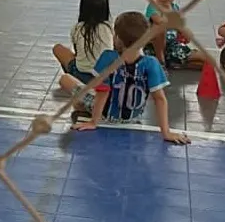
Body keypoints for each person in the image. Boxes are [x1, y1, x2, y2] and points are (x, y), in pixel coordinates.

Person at [73, 11, 190, 144]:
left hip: (107, 117)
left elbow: (102, 92)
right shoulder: (151, 63)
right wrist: (166, 132)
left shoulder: (108, 57)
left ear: (117, 37)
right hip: (133, 119)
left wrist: (94, 122)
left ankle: (80, 107)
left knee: (66, 80)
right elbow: (160, 99)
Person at [52, 0, 113, 98]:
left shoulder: (77, 28)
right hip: (104, 79)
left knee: (57, 48)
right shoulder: (109, 28)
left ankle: (73, 80)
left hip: (82, 75)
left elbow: (77, 52)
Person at [145, 0, 204, 69]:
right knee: (160, 28)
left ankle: (174, 62)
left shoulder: (175, 8)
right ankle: (161, 61)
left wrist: (185, 34)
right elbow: (158, 21)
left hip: (173, 47)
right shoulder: (153, 7)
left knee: (204, 59)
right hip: (155, 48)